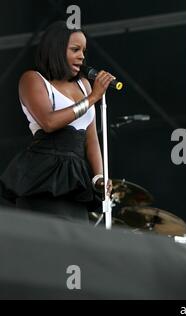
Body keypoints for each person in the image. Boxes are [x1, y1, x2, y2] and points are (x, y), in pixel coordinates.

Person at [0, 21, 116, 222]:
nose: (82, 56)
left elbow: (91, 139)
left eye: (84, 51)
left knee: (77, 243)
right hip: (43, 175)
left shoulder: (84, 85)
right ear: (56, 49)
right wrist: (91, 99)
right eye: (75, 49)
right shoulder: (33, 79)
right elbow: (49, 122)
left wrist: (99, 177)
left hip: (75, 178)